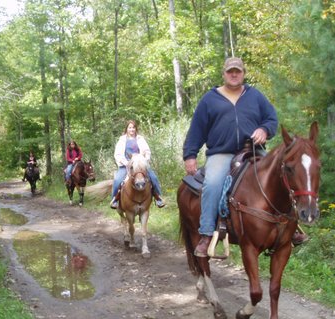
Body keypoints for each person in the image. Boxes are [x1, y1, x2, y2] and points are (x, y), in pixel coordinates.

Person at [182, 56, 307, 257]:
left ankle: (292, 229)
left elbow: (271, 119)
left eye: (237, 71)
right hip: (221, 153)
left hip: (253, 150)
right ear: (223, 74)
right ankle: (206, 234)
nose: (234, 74)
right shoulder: (210, 99)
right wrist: (190, 156)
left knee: (281, 175)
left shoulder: (255, 96)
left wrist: (264, 130)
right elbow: (197, 130)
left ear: (243, 74)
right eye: (230, 71)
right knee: (212, 184)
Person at [110, 119, 166, 209]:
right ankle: (115, 200)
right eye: (130, 128)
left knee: (153, 177)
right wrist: (126, 163)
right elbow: (118, 154)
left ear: (136, 129)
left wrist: (144, 160)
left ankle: (158, 198)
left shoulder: (140, 139)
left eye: (133, 128)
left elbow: (147, 151)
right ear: (127, 129)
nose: (132, 130)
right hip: (127, 164)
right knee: (117, 180)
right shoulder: (122, 140)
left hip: (140, 164)